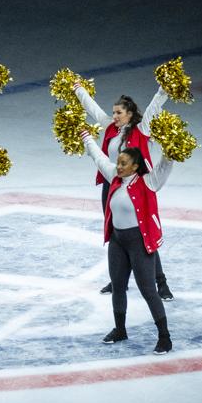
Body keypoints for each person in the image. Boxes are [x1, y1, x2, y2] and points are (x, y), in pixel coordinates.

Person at [74, 83, 173, 300]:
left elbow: (154, 106)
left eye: (119, 112)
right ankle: (118, 279)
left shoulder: (141, 129)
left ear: (129, 114)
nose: (114, 116)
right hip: (113, 185)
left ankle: (161, 283)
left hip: (139, 188)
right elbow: (93, 109)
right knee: (116, 231)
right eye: (113, 113)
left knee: (144, 234)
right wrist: (78, 89)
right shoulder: (111, 127)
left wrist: (164, 88)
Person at [82, 131, 173, 355]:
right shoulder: (114, 175)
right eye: (118, 162)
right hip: (117, 241)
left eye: (124, 163)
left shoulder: (149, 182)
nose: (119, 166)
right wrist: (86, 137)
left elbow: (164, 165)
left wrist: (171, 147)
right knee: (118, 286)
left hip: (139, 243)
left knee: (148, 290)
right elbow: (98, 157)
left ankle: (165, 337)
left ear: (135, 166)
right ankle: (120, 330)